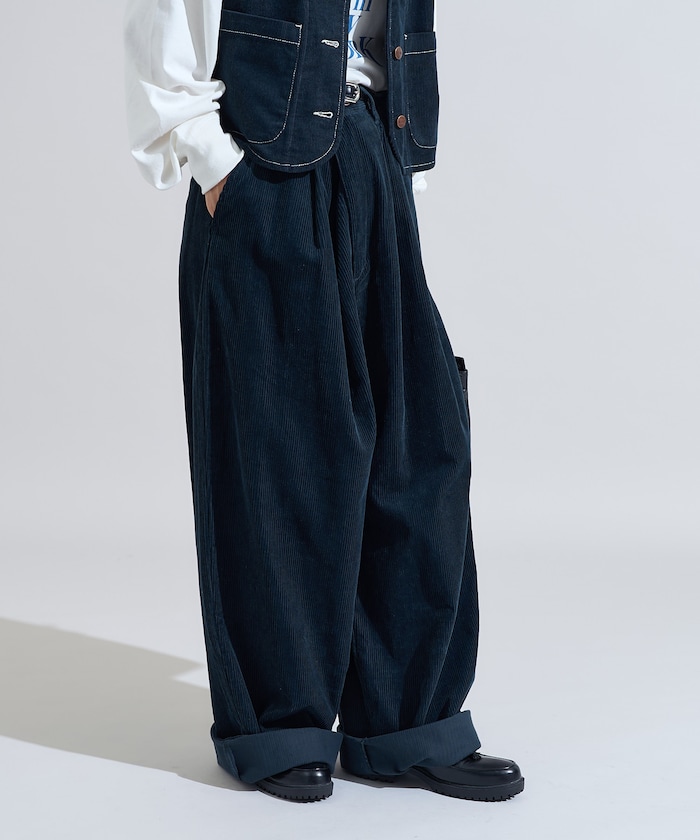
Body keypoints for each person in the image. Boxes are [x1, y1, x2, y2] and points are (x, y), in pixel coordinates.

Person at [123, 0, 524, 803]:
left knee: (419, 444)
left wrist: (391, 164)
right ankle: (281, 727)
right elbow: (164, 23)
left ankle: (406, 723)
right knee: (282, 456)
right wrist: (217, 168)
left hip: (373, 154)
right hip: (260, 169)